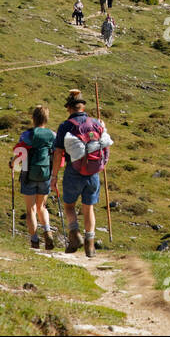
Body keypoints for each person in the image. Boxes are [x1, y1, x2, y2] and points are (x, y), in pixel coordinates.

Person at [51, 91, 111, 257]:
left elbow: (58, 153)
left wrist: (54, 176)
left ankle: (75, 234)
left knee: (69, 205)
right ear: (83, 106)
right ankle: (90, 245)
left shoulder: (66, 126)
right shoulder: (96, 123)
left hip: (73, 171)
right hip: (93, 171)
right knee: (88, 207)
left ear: (69, 108)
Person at [10, 106, 56, 249]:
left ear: (33, 118)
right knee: (41, 206)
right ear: (46, 119)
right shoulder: (53, 135)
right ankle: (47, 230)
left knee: (30, 209)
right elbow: (57, 155)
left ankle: (34, 240)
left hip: (28, 174)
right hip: (45, 174)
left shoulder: (27, 135)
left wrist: (12, 164)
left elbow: (20, 154)